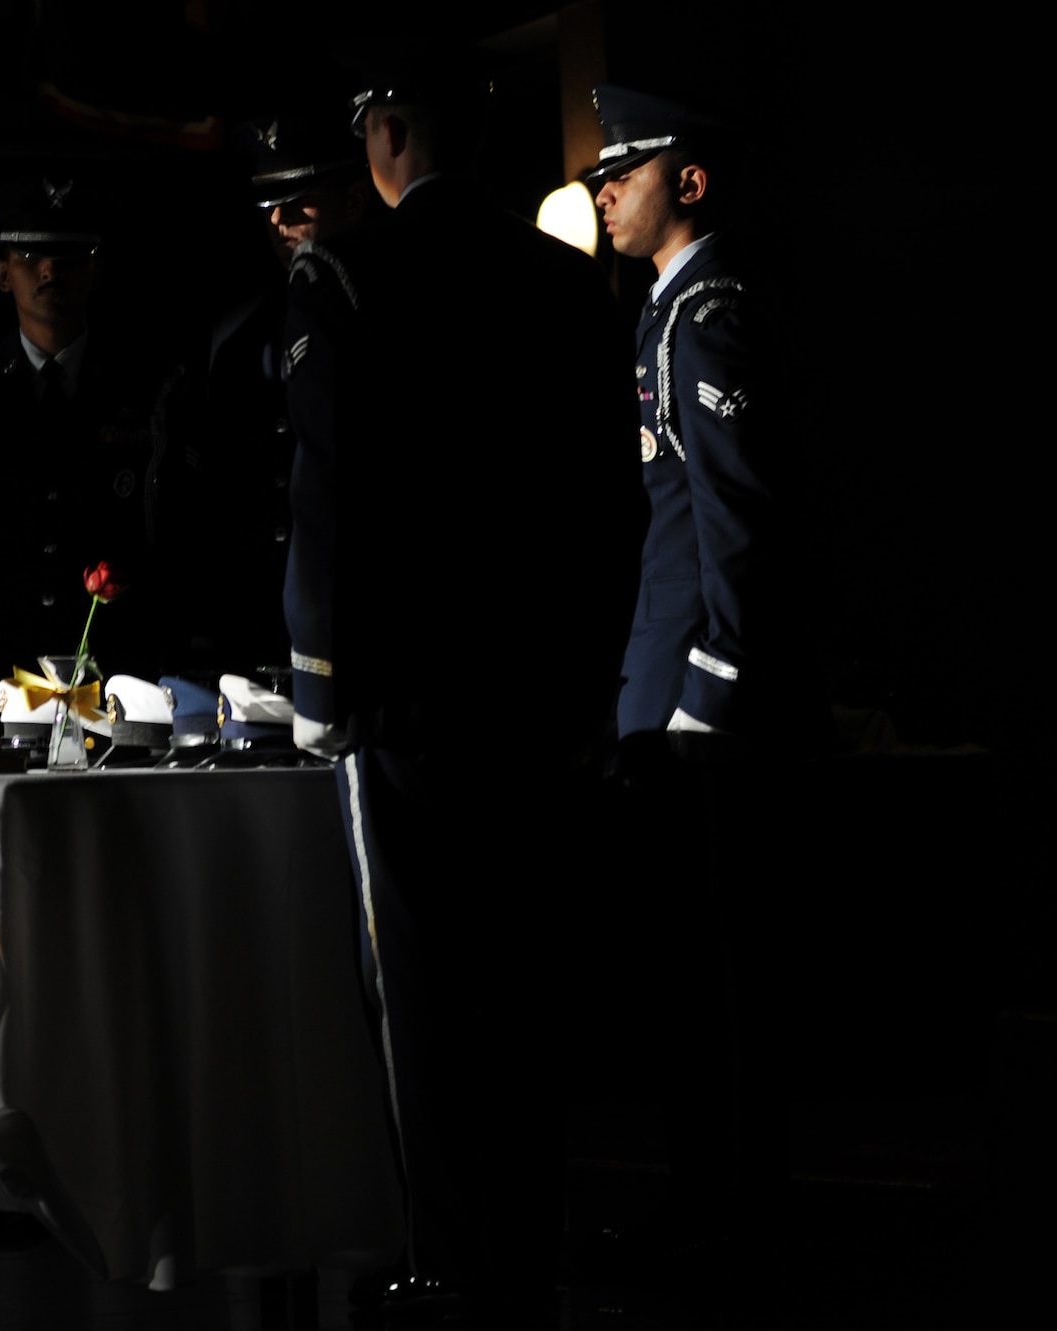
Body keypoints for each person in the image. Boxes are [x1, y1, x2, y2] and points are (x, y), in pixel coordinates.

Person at [283, 56, 641, 1327]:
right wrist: (593, 682)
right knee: (526, 983)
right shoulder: (566, 288)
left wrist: (319, 679)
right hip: (540, 691)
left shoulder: (351, 276)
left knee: (428, 988)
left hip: (414, 700)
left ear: (382, 137)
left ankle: (445, 1250)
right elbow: (614, 510)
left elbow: (331, 504)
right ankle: (525, 1243)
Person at [587, 86, 820, 1278]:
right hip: (667, 693)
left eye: (622, 171)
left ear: (685, 182)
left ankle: (727, 1210)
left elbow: (735, 522)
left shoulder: (707, 316)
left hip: (696, 707)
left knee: (714, 978)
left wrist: (706, 692)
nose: (602, 192)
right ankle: (713, 1197)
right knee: (688, 975)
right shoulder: (668, 310)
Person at [0, 177, 182, 742]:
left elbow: (173, 546)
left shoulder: (151, 392)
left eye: (70, 255)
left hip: (116, 694)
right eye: (30, 256)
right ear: (3, 274)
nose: (51, 270)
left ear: (96, 270)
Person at [192, 108, 379, 672]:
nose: (278, 219)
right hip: (256, 619)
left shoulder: (387, 316)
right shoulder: (239, 334)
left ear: (352, 199)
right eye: (269, 204)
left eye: (300, 202)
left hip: (361, 612)